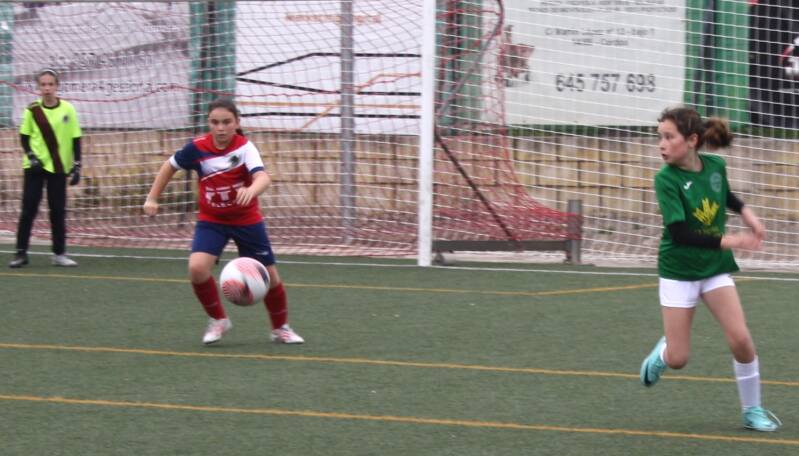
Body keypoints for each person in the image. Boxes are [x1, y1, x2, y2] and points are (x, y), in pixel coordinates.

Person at [640, 107, 781, 432]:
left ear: (691, 140)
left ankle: (752, 410)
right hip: (679, 270)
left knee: (741, 339)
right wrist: (734, 241)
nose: (661, 144)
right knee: (679, 359)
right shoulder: (666, 180)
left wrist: (748, 213)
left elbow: (723, 193)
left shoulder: (715, 165)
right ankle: (663, 353)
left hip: (714, 269)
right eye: (660, 137)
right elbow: (681, 234)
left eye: (669, 137)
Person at [143, 98, 303, 345]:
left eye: (227, 122)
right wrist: (152, 198)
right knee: (197, 269)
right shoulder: (197, 148)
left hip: (246, 221)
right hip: (212, 221)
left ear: (237, 123)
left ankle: (280, 328)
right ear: (208, 123)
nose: (220, 128)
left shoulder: (245, 148)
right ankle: (218, 320)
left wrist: (252, 190)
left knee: (270, 277)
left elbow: (263, 177)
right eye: (215, 122)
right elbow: (169, 166)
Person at [9, 68, 82, 268]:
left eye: (50, 84)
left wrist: (77, 165)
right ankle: (21, 253)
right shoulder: (32, 110)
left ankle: (59, 254)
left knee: (57, 210)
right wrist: (31, 156)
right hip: (35, 168)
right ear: (38, 87)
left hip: (58, 167)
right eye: (43, 85)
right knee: (28, 209)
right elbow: (24, 137)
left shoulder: (68, 109)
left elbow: (76, 138)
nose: (47, 88)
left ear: (57, 86)